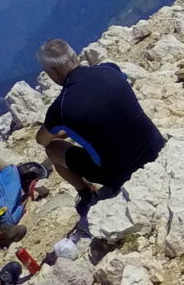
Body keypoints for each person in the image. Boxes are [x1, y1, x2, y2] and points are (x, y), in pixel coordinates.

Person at [33, 39, 166, 217]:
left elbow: (42, 140)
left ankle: (87, 193)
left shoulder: (62, 108)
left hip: (122, 172)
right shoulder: (109, 69)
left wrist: (67, 131)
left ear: (54, 72)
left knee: (53, 149)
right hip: (156, 147)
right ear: (74, 56)